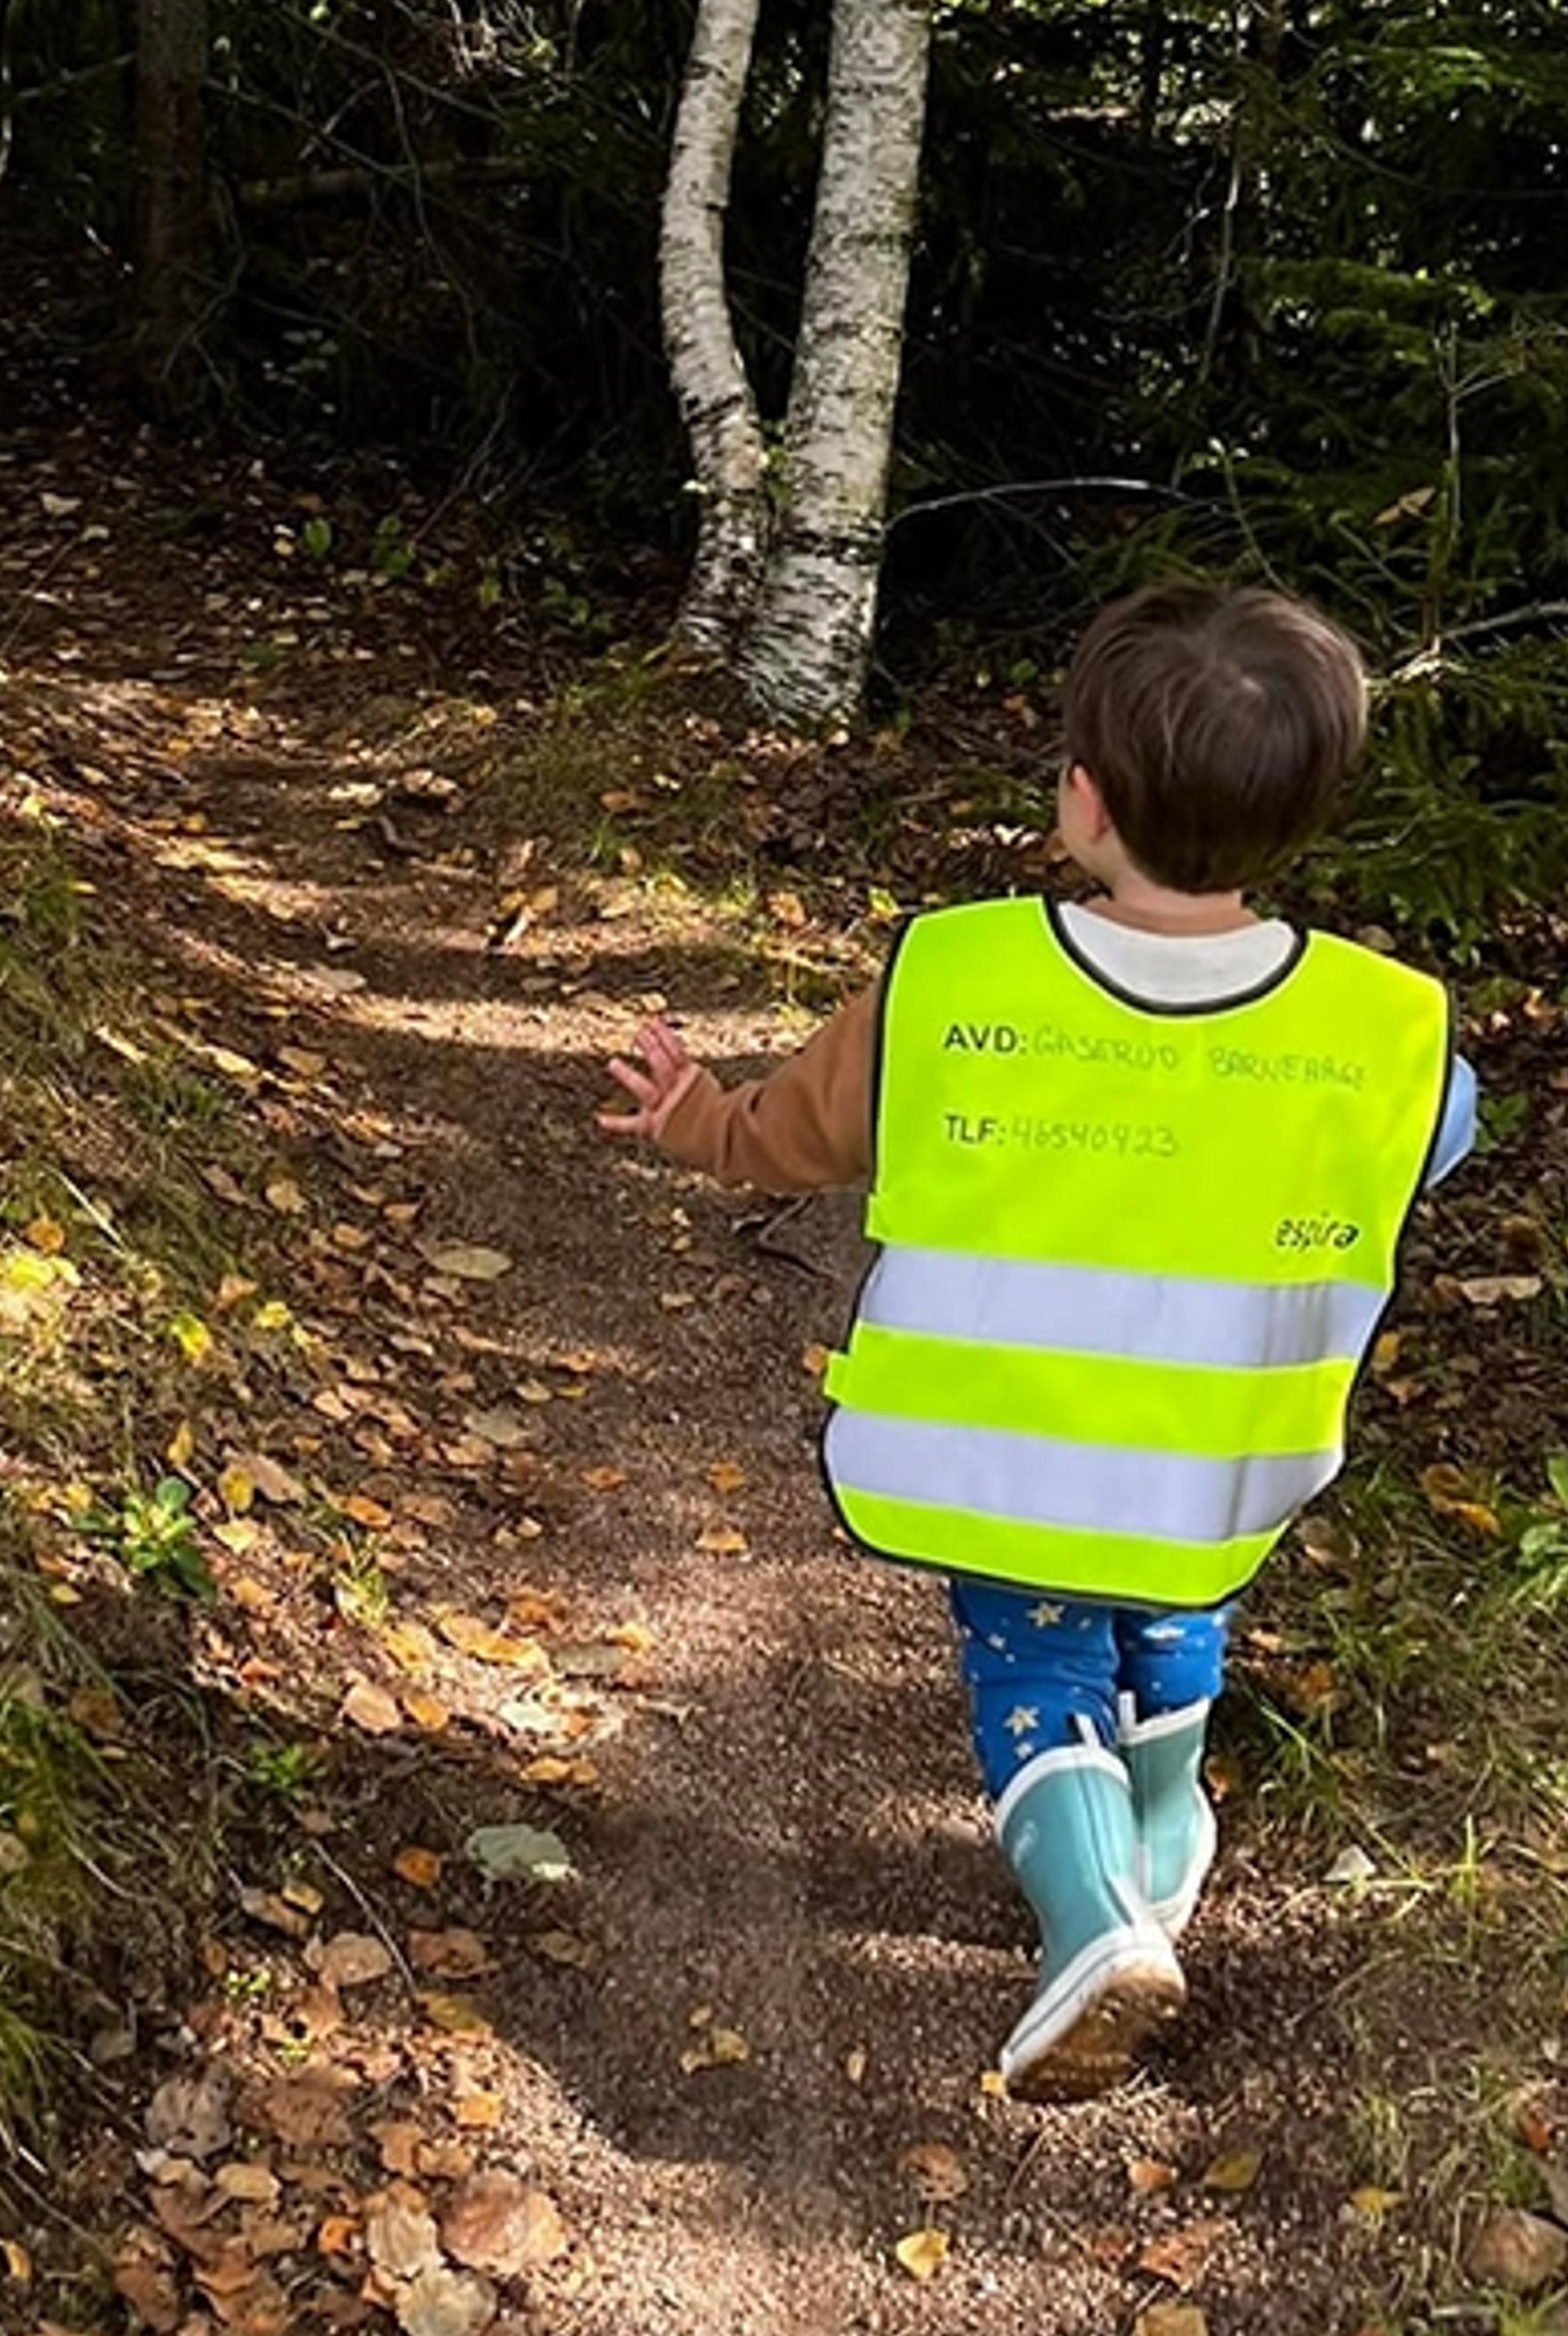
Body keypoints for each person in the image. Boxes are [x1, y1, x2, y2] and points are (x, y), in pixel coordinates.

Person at [602, 580, 1478, 2103]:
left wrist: (694, 1120)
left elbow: (806, 1134)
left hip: (1003, 1439)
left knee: (1038, 1651)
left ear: (1082, 800)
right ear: (1306, 819)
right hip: (1212, 1460)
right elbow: (1430, 1144)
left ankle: (1093, 1921)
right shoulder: (1384, 1031)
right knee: (1166, 1584)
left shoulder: (962, 975)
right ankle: (1157, 1828)